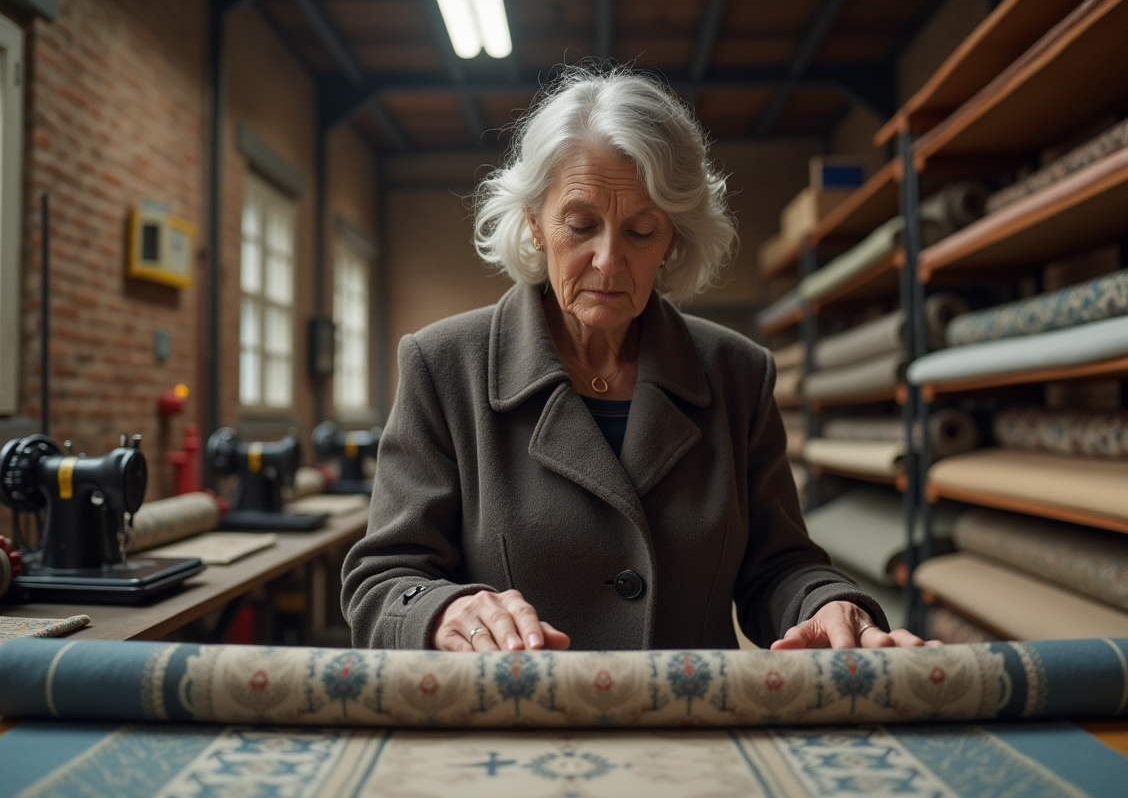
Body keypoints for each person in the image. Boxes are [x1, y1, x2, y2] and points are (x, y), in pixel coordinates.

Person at [342, 65, 927, 653]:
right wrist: (446, 610)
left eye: (641, 231)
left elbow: (777, 566)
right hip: (516, 727)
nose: (608, 260)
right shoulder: (443, 367)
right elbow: (383, 581)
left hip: (693, 721)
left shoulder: (737, 374)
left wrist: (825, 605)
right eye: (580, 225)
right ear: (534, 223)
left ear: (673, 238)